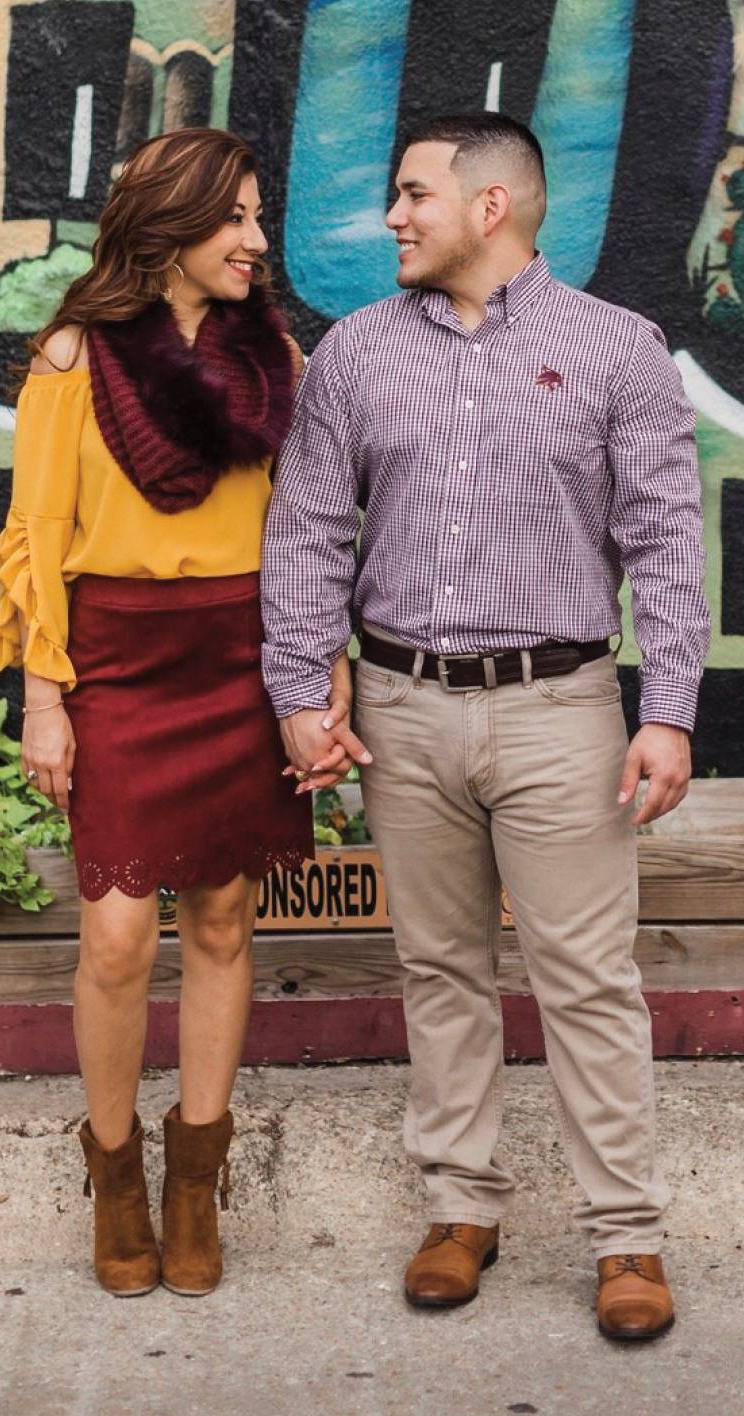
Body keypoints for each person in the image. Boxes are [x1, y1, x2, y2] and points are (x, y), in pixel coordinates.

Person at [262, 113, 710, 1340]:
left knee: (585, 979)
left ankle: (627, 1235)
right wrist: (304, 692)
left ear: (492, 206)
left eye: (413, 195)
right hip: (401, 711)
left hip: (563, 710)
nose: (393, 217)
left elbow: (665, 540)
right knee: (439, 968)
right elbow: (305, 530)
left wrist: (666, 709)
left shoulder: (617, 351)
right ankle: (461, 1208)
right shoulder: (354, 354)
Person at [0, 128, 341, 1299]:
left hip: (238, 654)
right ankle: (115, 1169)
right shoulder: (71, 360)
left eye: (256, 216)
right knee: (119, 933)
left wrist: (312, 670)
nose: (255, 238)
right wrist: (46, 697)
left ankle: (198, 1173)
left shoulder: (273, 357)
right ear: (172, 227)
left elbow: (300, 532)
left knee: (228, 917)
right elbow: (37, 535)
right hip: (122, 663)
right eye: (232, 217)